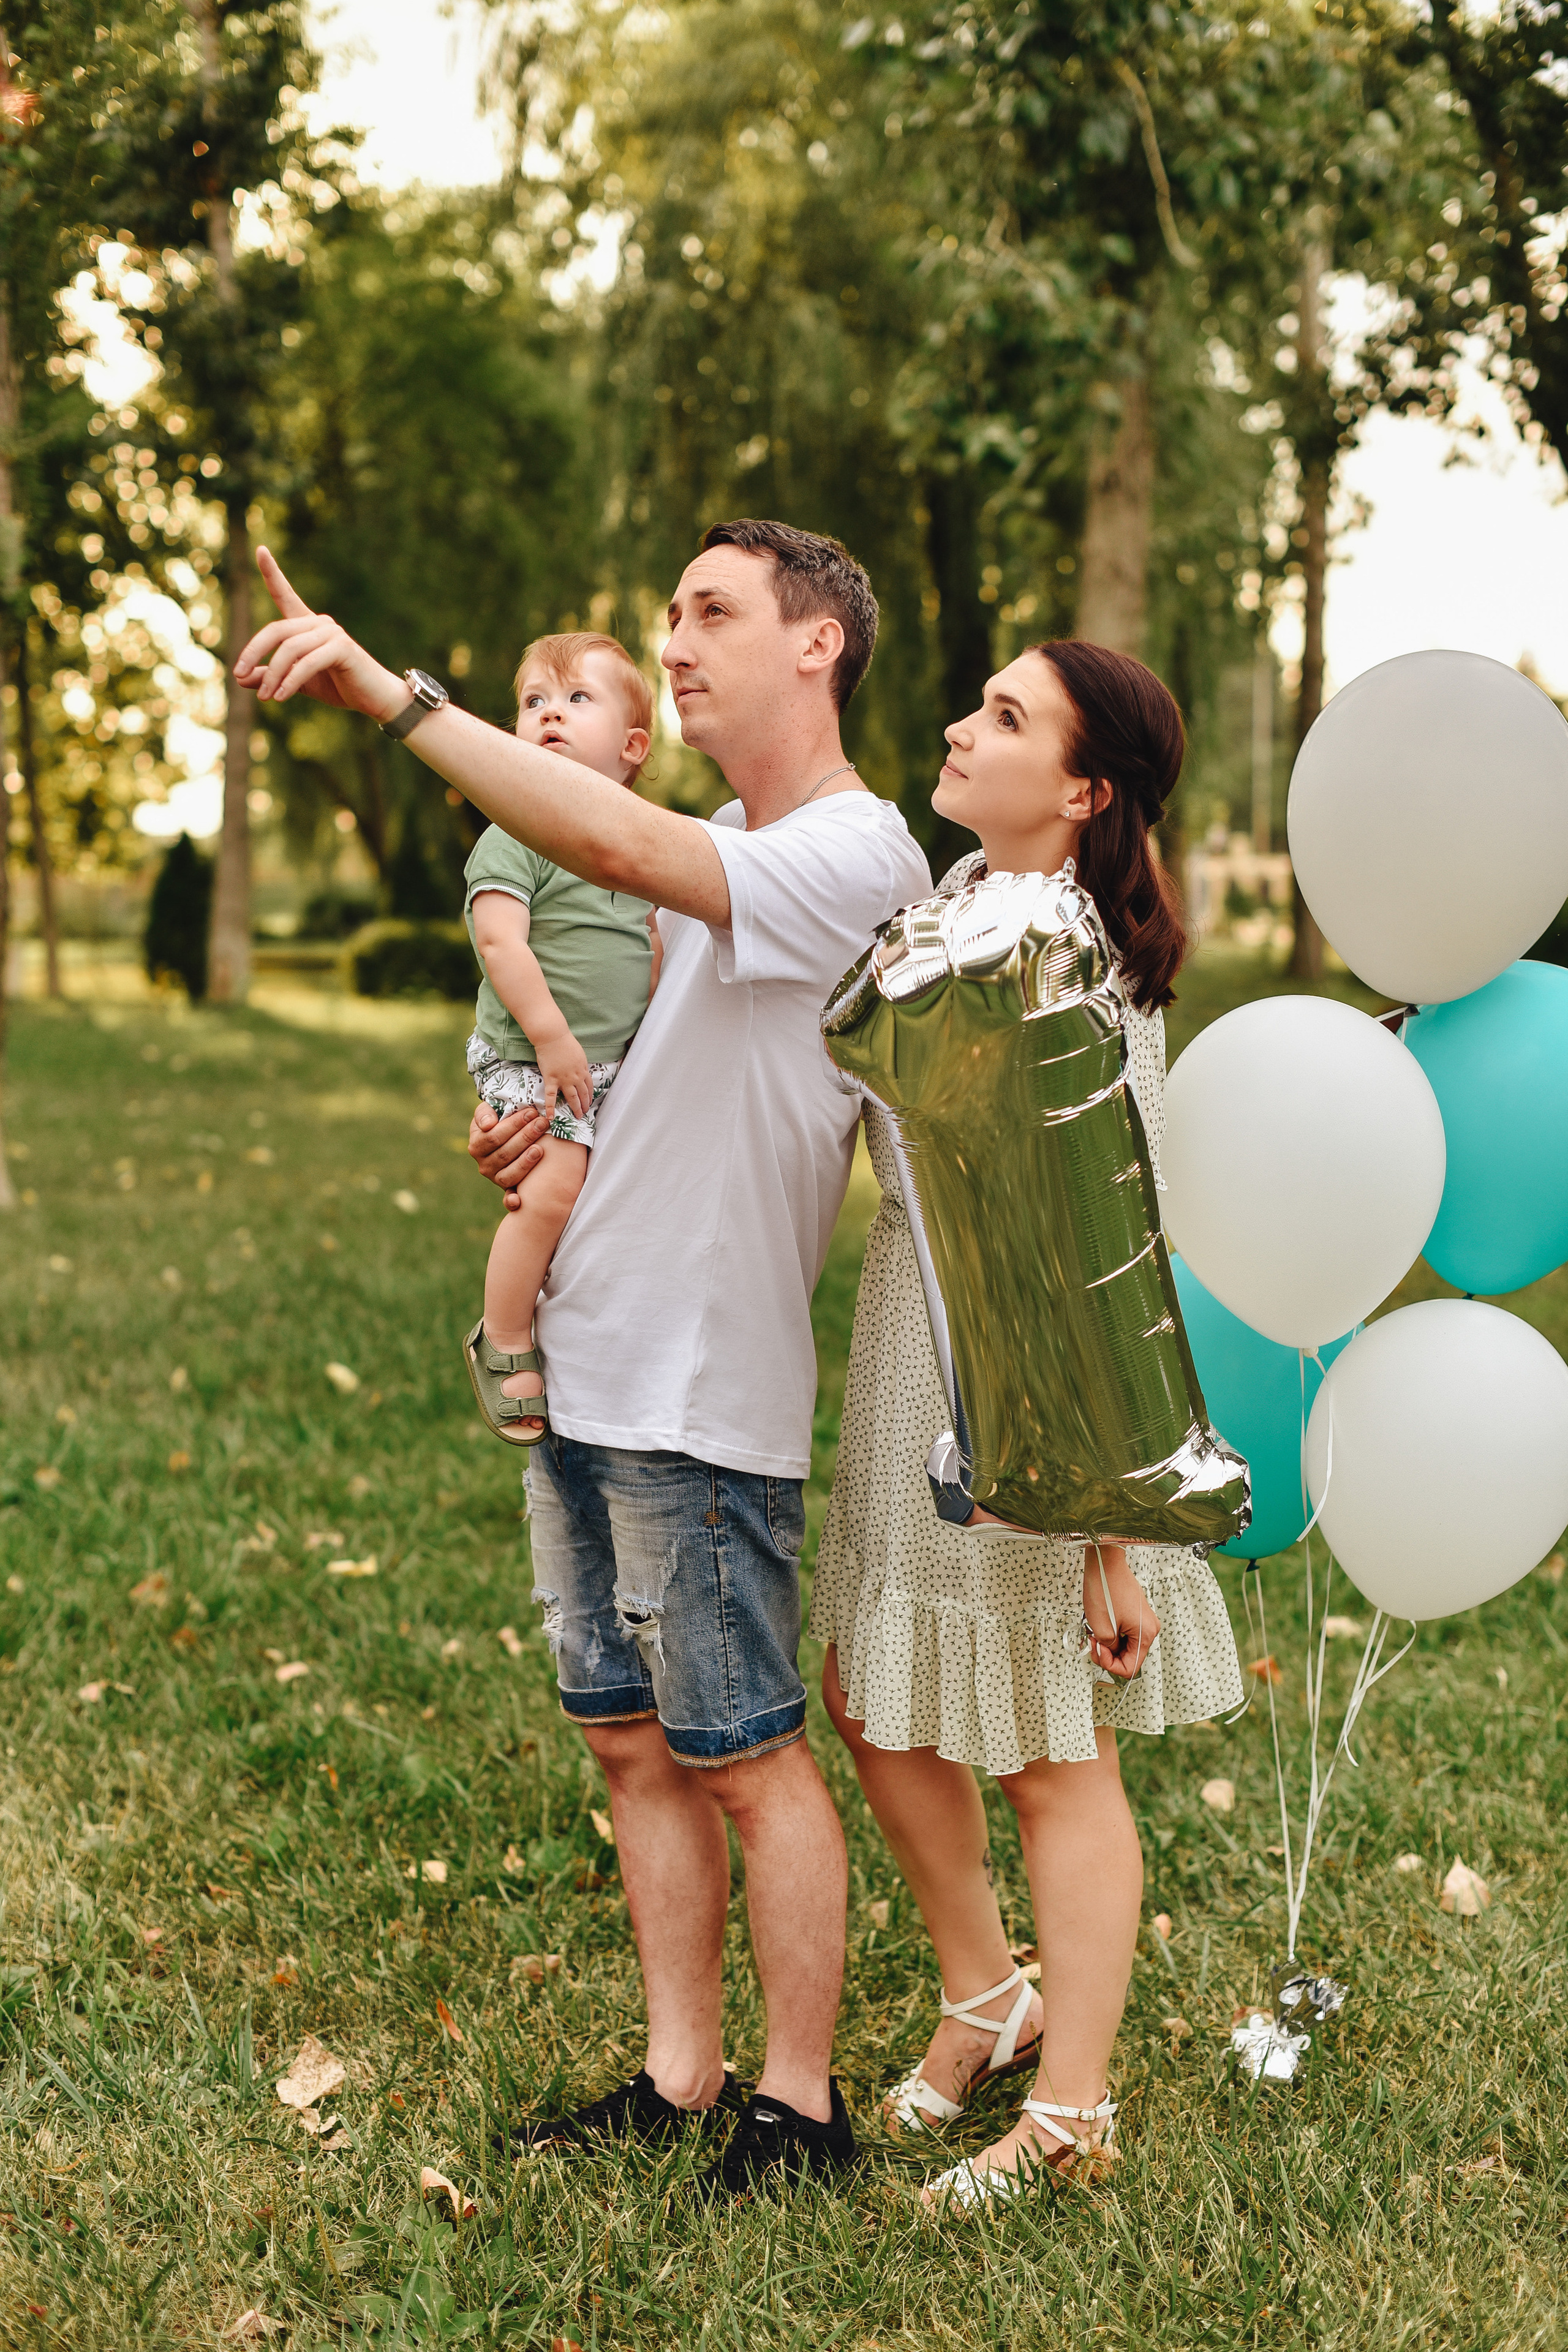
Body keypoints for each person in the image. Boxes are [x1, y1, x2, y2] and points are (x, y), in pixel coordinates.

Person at [235, 522, 932, 2195]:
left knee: (747, 1753)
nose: (674, 645)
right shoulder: (718, 841)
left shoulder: (856, 851)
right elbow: (647, 1061)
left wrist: (391, 701)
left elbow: (604, 842)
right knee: (631, 1745)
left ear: (818, 643)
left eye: (711, 614)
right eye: (671, 617)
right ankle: (681, 2076)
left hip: (702, 1391)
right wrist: (550, 1130)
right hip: (592, 1362)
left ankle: (801, 2107)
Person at [812, 639, 1245, 2211]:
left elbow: (1102, 1264)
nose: (956, 725)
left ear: (1080, 791)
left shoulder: (1073, 974)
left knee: (1050, 1760)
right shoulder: (955, 906)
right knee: (870, 1693)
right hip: (906, 1365)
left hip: (1026, 1403)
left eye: (1003, 718)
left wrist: (1105, 1537)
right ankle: (987, 1994)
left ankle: (1068, 2108)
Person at [461, 631, 661, 1447]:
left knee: (589, 1199)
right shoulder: (517, 833)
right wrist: (550, 1041)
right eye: (534, 702)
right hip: (528, 1055)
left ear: (632, 747)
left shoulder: (642, 846)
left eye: (578, 700)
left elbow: (651, 946)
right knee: (549, 1190)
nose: (550, 715)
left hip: (607, 1063)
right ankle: (503, 1335)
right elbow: (500, 942)